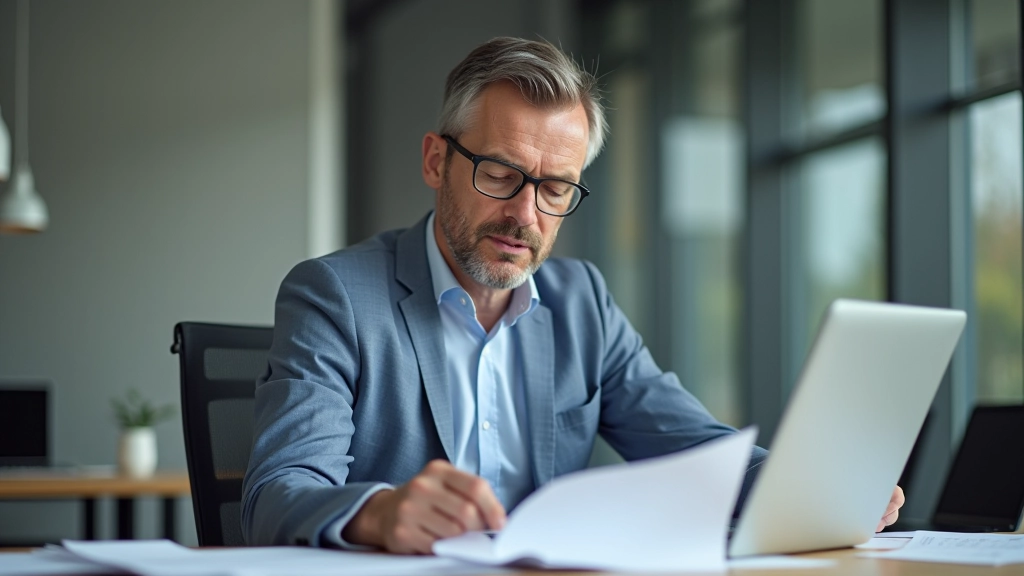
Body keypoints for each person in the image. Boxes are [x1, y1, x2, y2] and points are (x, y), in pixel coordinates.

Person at [241, 37, 904, 553]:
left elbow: (698, 449)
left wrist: (813, 490)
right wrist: (378, 513)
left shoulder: (581, 300)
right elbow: (278, 494)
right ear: (437, 161)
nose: (526, 216)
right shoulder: (335, 295)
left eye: (556, 187)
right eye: (501, 173)